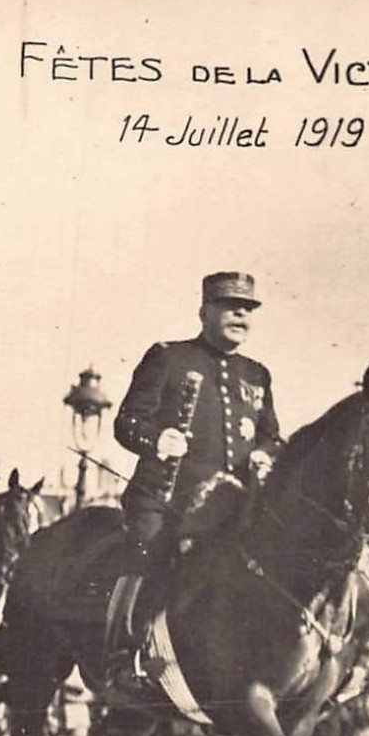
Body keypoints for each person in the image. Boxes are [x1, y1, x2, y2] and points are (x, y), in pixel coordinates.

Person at [106, 271, 283, 689]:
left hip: (232, 506)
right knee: (146, 550)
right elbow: (126, 423)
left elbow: (272, 437)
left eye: (248, 308)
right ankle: (124, 654)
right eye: (229, 305)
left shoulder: (257, 375)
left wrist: (264, 454)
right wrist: (157, 438)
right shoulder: (168, 357)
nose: (241, 313)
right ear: (204, 312)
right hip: (166, 499)